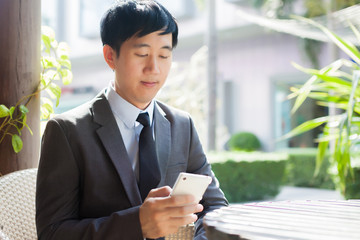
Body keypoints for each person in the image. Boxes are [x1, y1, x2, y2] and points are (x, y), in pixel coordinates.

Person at [35, 1, 228, 239]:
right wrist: (137, 224)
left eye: (164, 55)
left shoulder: (182, 125)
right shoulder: (67, 132)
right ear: (110, 56)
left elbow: (215, 210)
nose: (154, 68)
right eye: (142, 54)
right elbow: (52, 233)